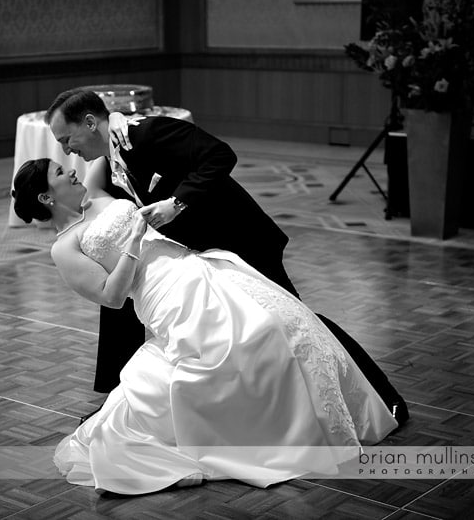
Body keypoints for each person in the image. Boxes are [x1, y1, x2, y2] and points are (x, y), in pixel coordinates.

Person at [11, 159, 400, 494]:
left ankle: (313, 421)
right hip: (161, 294)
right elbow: (112, 296)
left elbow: (102, 149)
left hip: (197, 265)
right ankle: (261, 437)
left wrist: (113, 119)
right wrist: (134, 240)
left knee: (280, 320)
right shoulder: (64, 247)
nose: (73, 172)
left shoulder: (96, 194)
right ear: (47, 197)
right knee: (233, 346)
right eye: (61, 172)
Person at [45, 89, 409, 426]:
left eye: (67, 139)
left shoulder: (147, 134)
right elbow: (95, 189)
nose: (67, 149)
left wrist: (176, 203)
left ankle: (382, 393)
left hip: (241, 238)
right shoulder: (114, 151)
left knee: (297, 317)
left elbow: (221, 155)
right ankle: (118, 400)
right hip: (201, 250)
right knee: (120, 303)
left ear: (90, 123)